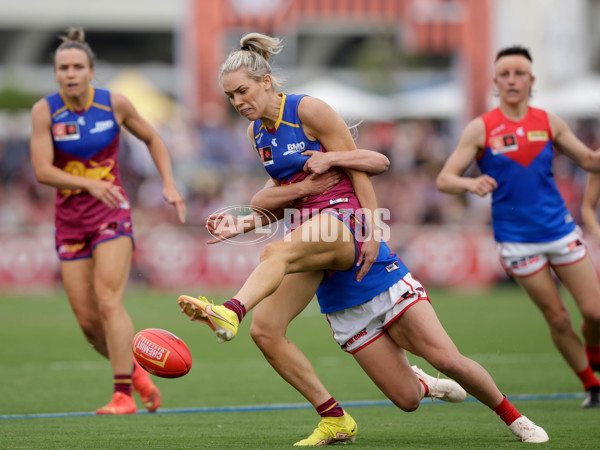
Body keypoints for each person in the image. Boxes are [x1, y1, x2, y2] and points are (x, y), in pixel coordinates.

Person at [177, 33, 549, 445]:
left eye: (242, 91)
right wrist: (243, 224)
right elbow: (284, 197)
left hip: (345, 222)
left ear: (266, 82)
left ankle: (516, 419)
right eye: (230, 96)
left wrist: (373, 229)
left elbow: (362, 169)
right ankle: (338, 417)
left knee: (448, 359)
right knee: (278, 338)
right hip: (312, 240)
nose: (238, 102)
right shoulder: (256, 136)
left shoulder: (308, 109)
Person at [29, 27, 187, 415]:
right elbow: (42, 171)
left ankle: (122, 397)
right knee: (87, 321)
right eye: (63, 67)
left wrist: (169, 183)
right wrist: (86, 183)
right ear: (56, 73)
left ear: (91, 70)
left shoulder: (114, 104)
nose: (70, 73)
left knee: (108, 300)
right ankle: (136, 376)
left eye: (77, 66)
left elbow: (153, 138)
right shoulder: (44, 111)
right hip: (69, 221)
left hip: (111, 213)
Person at [436, 45, 600, 409]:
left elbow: (589, 160)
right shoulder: (481, 128)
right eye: (505, 74)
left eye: (519, 73)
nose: (512, 80)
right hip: (517, 241)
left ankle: (595, 357)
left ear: (531, 80)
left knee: (594, 313)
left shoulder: (549, 122)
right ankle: (592, 385)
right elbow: (445, 178)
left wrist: (588, 208)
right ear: (495, 82)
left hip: (559, 231)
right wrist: (469, 184)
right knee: (557, 317)